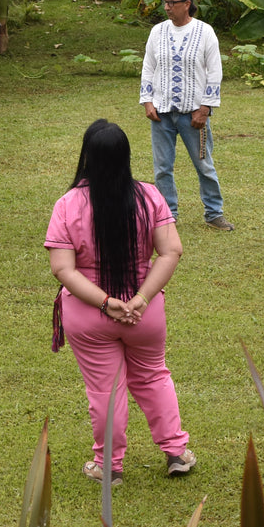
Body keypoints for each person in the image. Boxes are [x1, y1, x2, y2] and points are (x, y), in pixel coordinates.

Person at [46, 119, 196, 487]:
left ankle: (109, 467)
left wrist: (106, 303)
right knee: (154, 376)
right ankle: (176, 452)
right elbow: (171, 251)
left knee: (105, 390)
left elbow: (63, 269)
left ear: (87, 156)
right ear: (126, 156)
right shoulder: (150, 196)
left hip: (88, 315)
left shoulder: (68, 204)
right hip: (145, 314)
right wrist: (141, 299)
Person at [139, 0, 233, 230]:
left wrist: (205, 108)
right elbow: (148, 67)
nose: (167, 7)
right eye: (165, 2)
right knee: (162, 168)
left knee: (204, 165)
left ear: (187, 4)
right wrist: (147, 101)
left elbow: (215, 72)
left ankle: (214, 213)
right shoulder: (157, 32)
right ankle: (167, 215)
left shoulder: (205, 32)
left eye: (172, 3)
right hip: (161, 113)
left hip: (193, 115)